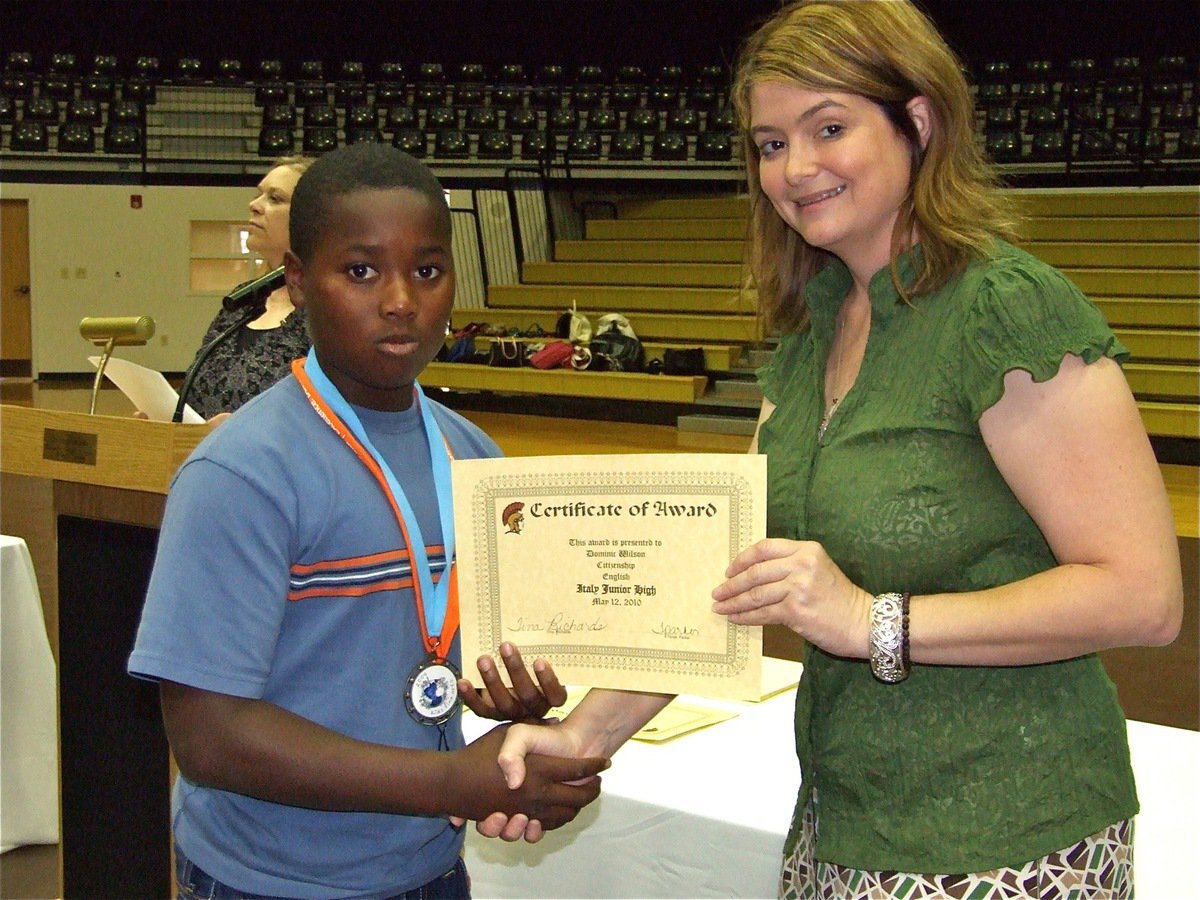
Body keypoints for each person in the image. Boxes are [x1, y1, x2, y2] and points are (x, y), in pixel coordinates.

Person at [479, 2, 1185, 897]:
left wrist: (869, 620)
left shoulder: (1007, 308)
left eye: (830, 128)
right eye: (771, 143)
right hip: (842, 822)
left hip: (1008, 836)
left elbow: (1142, 594)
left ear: (918, 123)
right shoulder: (813, 330)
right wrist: (587, 734)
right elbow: (738, 580)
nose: (794, 168)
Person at [128, 142, 607, 900]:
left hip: (426, 868)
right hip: (270, 880)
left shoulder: (476, 458)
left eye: (426, 270)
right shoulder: (241, 473)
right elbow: (208, 736)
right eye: (360, 271)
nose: (399, 300)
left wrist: (506, 697)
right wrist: (452, 780)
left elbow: (449, 653)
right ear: (297, 281)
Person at [184, 155, 315, 422]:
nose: (254, 205)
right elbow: (197, 390)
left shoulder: (328, 308)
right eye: (259, 195)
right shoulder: (244, 297)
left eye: (275, 198)